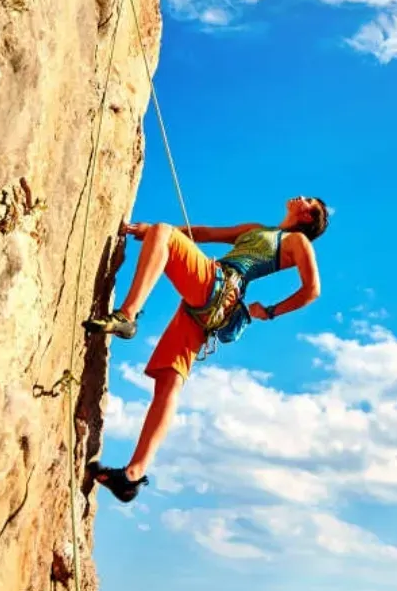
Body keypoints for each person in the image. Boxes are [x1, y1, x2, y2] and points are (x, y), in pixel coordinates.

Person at [83, 195, 328, 503]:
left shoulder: (297, 241)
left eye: (309, 203)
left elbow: (312, 290)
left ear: (308, 217)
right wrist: (144, 230)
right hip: (207, 304)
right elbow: (205, 234)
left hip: (221, 287)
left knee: (164, 232)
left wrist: (269, 311)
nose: (301, 198)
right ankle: (132, 475)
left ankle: (127, 316)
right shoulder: (257, 229)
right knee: (168, 381)